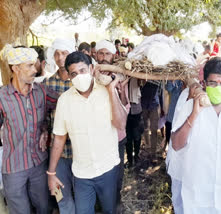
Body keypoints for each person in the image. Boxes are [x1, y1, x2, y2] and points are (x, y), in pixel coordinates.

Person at [48, 51, 127, 214]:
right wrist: (51, 172)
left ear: (91, 69)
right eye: (74, 74)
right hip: (82, 173)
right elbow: (59, 138)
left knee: (109, 210)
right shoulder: (65, 101)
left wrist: (112, 90)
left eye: (82, 70)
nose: (79, 76)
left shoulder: (106, 92)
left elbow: (121, 124)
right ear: (69, 76)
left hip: (108, 169)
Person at [169, 58, 221, 213]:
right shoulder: (189, 108)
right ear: (204, 84)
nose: (218, 87)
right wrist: (194, 114)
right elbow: (176, 145)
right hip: (195, 199)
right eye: (213, 83)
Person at [0, 45, 58, 214]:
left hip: (39, 164)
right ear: (15, 68)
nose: (35, 70)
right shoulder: (2, 97)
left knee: (44, 207)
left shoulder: (41, 91)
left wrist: (45, 127)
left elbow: (64, 103)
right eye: (29, 66)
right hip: (13, 167)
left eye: (35, 65)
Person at [95, 39, 129, 206]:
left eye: (106, 53)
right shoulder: (90, 76)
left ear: (113, 55)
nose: (103, 57)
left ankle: (115, 205)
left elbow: (126, 105)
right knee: (100, 175)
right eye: (100, 53)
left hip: (117, 137)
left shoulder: (120, 75)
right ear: (96, 55)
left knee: (117, 176)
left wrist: (119, 88)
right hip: (99, 138)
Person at [43, 38, 75, 214]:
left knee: (82, 194)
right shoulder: (47, 84)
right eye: (56, 53)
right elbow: (44, 117)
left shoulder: (81, 82)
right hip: (58, 153)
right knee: (61, 196)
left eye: (64, 53)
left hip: (80, 150)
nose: (60, 57)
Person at [125, 78, 143, 168]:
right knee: (128, 138)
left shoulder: (136, 75)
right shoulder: (121, 76)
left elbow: (142, 82)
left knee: (136, 136)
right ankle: (130, 160)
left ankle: (136, 156)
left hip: (136, 110)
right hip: (125, 111)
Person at [164, 80, 183, 151]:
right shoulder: (176, 80)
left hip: (182, 118)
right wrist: (173, 80)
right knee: (169, 135)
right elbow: (168, 88)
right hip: (172, 115)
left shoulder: (188, 81)